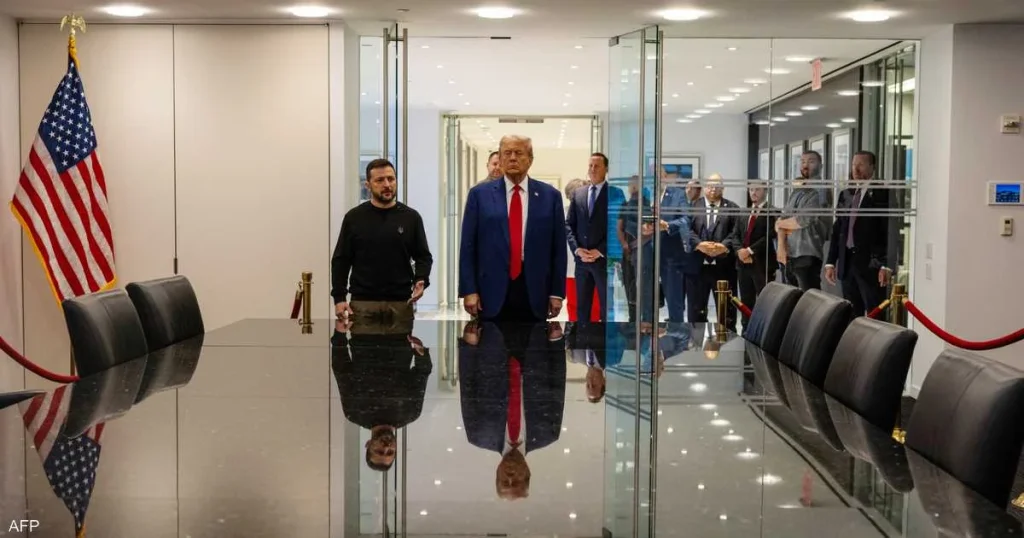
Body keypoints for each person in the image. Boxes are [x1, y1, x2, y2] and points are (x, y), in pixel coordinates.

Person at [458, 135, 567, 321]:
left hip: (535, 289)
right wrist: (469, 290)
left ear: (530, 159)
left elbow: (558, 249)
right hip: (489, 290)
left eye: (519, 153)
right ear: (500, 159)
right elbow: (468, 246)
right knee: (490, 339)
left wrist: (557, 292)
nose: (513, 158)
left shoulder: (550, 196)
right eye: (507, 153)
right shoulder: (479, 195)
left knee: (534, 339)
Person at [458, 320, 566, 500]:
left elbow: (467, 388)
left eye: (504, 481)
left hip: (491, 341)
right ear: (527, 473)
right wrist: (556, 343)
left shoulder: (478, 436)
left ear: (497, 473)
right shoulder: (548, 434)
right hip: (534, 344)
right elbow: (558, 384)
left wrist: (469, 347)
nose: (509, 477)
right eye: (516, 482)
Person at [331, 159, 433, 319]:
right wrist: (339, 298)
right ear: (368, 185)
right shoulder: (354, 218)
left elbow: (423, 257)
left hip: (401, 302)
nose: (387, 184)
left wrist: (421, 278)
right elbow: (341, 260)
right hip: (363, 303)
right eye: (379, 180)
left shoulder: (411, 218)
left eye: (391, 179)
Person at [331, 316, 432, 472]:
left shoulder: (354, 414)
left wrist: (339, 335)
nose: (386, 447)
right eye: (390, 452)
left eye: (379, 451)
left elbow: (341, 368)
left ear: (368, 445)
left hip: (363, 332)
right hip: (399, 333)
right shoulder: (411, 414)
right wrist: (421, 353)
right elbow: (422, 372)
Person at [825, 151, 891, 315]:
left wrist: (886, 264)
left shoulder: (883, 193)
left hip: (871, 266)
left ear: (872, 167)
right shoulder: (846, 194)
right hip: (847, 264)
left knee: (875, 313)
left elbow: (890, 231)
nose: (855, 169)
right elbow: (838, 229)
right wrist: (831, 262)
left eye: (860, 165)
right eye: (854, 165)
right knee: (852, 314)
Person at [566, 153, 622, 322]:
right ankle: (583, 336)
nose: (592, 169)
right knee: (582, 308)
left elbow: (618, 227)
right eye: (590, 165)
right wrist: (577, 250)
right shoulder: (579, 194)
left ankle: (605, 339)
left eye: (597, 166)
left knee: (606, 307)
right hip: (582, 261)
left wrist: (600, 250)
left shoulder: (615, 194)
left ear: (606, 169)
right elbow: (569, 225)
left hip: (603, 261)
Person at [685, 174, 742, 331]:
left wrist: (723, 246)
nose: (713, 189)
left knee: (726, 314)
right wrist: (699, 244)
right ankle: (696, 343)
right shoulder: (693, 207)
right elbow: (686, 230)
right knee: (696, 313)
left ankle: (728, 342)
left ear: (723, 188)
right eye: (710, 185)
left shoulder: (732, 208)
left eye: (717, 186)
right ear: (704, 188)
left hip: (724, 268)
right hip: (697, 268)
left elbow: (736, 232)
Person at [775, 150, 831, 290]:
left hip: (807, 254)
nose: (805, 165)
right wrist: (781, 246)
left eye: (811, 161)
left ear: (820, 166)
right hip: (789, 253)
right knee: (790, 298)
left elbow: (801, 220)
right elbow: (783, 218)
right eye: (803, 161)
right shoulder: (797, 190)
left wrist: (781, 224)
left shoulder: (822, 190)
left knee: (809, 298)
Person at [736, 181, 777, 315]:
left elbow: (770, 235)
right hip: (743, 264)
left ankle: (763, 328)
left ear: (766, 191)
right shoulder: (744, 212)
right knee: (745, 302)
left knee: (765, 302)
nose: (753, 193)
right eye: (751, 190)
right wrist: (740, 251)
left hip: (763, 263)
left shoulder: (773, 212)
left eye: (757, 190)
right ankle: (746, 327)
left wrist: (749, 251)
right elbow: (735, 234)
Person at [562, 178, 599, 322]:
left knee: (591, 304)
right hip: (571, 267)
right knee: (576, 305)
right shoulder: (563, 213)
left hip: (590, 263)